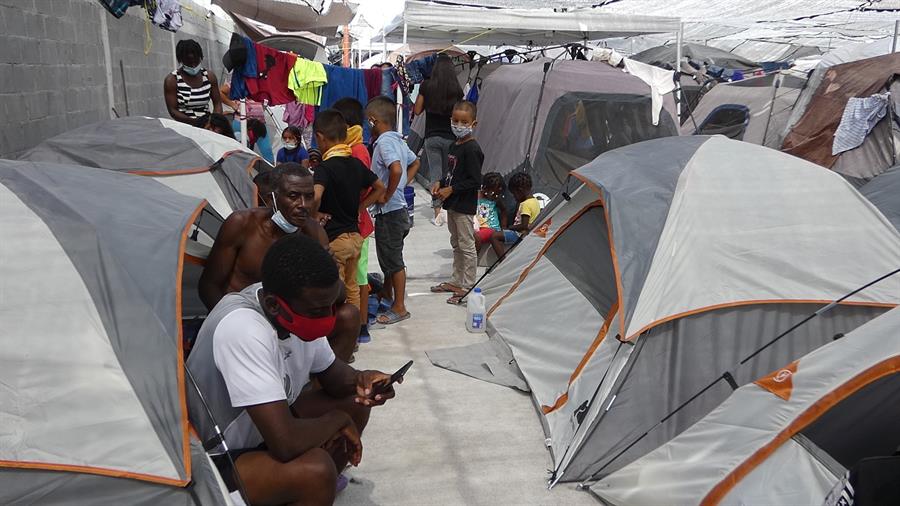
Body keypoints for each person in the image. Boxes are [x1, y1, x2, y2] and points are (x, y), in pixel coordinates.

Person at [187, 233, 399, 505]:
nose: (327, 320)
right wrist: (337, 420)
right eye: (317, 312)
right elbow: (285, 443)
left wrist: (364, 379)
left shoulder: (298, 303)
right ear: (274, 305)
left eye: (330, 307)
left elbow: (334, 376)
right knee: (316, 470)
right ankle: (305, 487)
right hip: (216, 460)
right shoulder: (243, 328)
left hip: (263, 428)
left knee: (356, 401)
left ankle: (306, 493)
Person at [198, 163, 358, 362]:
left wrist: (330, 271)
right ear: (271, 198)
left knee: (349, 316)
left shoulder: (314, 233)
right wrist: (232, 325)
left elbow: (337, 297)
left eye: (309, 196)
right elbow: (209, 285)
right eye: (293, 196)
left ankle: (326, 383)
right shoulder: (242, 225)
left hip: (291, 322)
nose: (304, 204)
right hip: (245, 321)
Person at [312, 109, 385, 318]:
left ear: (320, 137)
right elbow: (379, 187)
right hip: (355, 238)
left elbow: (316, 196)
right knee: (352, 287)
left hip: (335, 240)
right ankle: (354, 334)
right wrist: (361, 208)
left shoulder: (324, 169)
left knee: (335, 291)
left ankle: (338, 334)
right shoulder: (355, 163)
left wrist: (312, 215)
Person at [366, 97, 420, 325]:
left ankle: (399, 306)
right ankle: (387, 294)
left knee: (394, 261)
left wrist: (388, 193)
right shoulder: (398, 140)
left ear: (373, 121)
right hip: (399, 210)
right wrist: (401, 186)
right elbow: (414, 162)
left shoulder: (384, 143)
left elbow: (396, 168)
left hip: (389, 211)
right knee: (388, 258)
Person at [429, 101, 483, 305]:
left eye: (464, 122)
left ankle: (468, 286)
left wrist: (451, 189)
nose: (459, 125)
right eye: (456, 120)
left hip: (464, 205)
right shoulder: (454, 146)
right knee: (456, 243)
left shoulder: (473, 149)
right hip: (452, 204)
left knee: (467, 246)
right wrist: (440, 183)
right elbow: (451, 173)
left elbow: (475, 180)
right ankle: (456, 280)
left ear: (473, 123)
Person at [333, 98, 375, 343]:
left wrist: (359, 206)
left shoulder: (357, 151)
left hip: (357, 226)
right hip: (352, 224)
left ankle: (361, 325)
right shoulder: (350, 149)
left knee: (358, 278)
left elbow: (366, 187)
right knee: (352, 277)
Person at [414, 54, 463, 225]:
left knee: (435, 174)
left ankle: (437, 213)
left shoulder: (427, 86)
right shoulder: (457, 90)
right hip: (452, 138)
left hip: (432, 137)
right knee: (450, 174)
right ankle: (450, 209)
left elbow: (417, 110)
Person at [164, 39, 222, 126]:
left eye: (196, 61)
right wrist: (195, 122)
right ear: (181, 60)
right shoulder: (172, 80)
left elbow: (217, 103)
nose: (193, 65)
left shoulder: (209, 77)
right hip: (185, 126)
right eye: (189, 62)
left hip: (207, 125)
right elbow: (173, 110)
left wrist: (215, 121)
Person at [490, 172, 540, 257]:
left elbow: (524, 225)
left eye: (514, 194)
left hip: (520, 234)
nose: (514, 197)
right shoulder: (535, 201)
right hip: (528, 234)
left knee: (494, 236)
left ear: (520, 191)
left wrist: (510, 227)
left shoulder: (525, 204)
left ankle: (502, 260)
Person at [475, 172, 506, 245]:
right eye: (492, 192)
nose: (495, 195)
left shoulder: (496, 199)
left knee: (477, 237)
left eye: (498, 193)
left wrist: (504, 227)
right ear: (485, 188)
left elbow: (503, 211)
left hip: (491, 228)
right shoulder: (476, 195)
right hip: (477, 227)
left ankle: (474, 256)